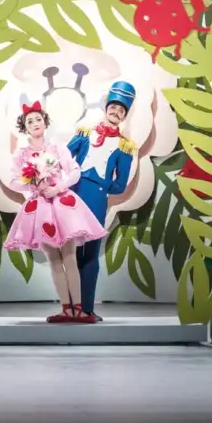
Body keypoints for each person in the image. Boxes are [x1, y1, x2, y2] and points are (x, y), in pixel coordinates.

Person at [5, 101, 107, 322]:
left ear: (45, 122)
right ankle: (66, 309)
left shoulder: (57, 147)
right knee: (53, 258)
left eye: (38, 119)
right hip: (40, 207)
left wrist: (58, 187)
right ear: (25, 127)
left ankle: (79, 309)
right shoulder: (21, 154)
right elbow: (12, 180)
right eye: (29, 121)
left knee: (69, 256)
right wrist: (32, 184)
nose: (35, 123)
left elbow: (74, 171)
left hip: (61, 203)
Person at [66, 81, 138, 323]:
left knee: (90, 253)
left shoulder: (124, 147)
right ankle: (70, 308)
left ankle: (86, 309)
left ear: (125, 115)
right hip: (74, 195)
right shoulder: (85, 133)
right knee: (70, 253)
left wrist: (101, 184)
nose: (116, 112)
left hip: (97, 199)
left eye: (122, 110)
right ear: (107, 107)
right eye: (114, 107)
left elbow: (120, 185)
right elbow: (64, 158)